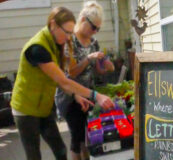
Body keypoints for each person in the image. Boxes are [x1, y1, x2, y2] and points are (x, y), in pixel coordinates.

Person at [10, 6, 114, 160]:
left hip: (44, 107)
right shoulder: (37, 48)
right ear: (53, 24)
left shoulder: (55, 43)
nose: (68, 38)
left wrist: (77, 96)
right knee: (34, 155)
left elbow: (56, 79)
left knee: (60, 149)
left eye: (71, 33)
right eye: (66, 32)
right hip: (26, 110)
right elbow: (64, 81)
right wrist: (96, 95)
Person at [55, 1, 114, 160]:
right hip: (69, 95)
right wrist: (88, 58)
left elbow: (97, 70)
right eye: (93, 27)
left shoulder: (93, 43)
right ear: (82, 20)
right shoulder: (69, 41)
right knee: (77, 137)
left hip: (87, 93)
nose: (95, 32)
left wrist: (106, 66)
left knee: (87, 136)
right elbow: (71, 72)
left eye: (98, 28)